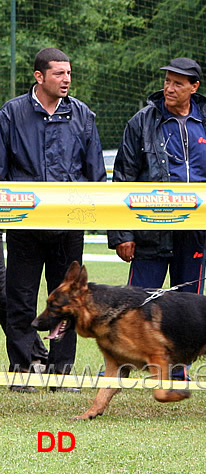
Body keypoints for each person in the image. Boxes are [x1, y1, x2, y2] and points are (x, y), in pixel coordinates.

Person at [107, 58, 206, 380]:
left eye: (178, 83)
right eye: (167, 81)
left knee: (189, 307)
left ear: (194, 87)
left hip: (195, 234)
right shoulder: (142, 122)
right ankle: (117, 369)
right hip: (150, 231)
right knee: (135, 305)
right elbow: (122, 179)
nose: (169, 87)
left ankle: (178, 371)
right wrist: (121, 233)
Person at [0, 48, 106, 392]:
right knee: (20, 300)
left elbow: (95, 174)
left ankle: (63, 374)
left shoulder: (83, 115)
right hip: (24, 226)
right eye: (59, 74)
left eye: (69, 73)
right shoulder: (11, 114)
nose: (66, 80)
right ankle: (22, 372)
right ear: (39, 76)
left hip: (68, 227)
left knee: (69, 301)